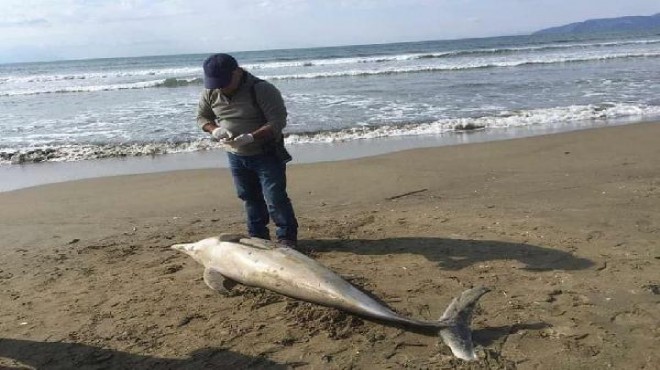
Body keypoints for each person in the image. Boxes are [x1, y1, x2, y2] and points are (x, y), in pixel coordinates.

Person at [196, 53, 298, 247]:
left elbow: (277, 121)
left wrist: (251, 137)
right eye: (216, 83)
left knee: (275, 197)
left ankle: (287, 237)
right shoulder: (211, 92)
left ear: (237, 72)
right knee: (248, 196)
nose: (220, 87)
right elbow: (202, 117)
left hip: (266, 152)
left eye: (224, 81)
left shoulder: (262, 89)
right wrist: (215, 129)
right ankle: (258, 236)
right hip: (235, 155)